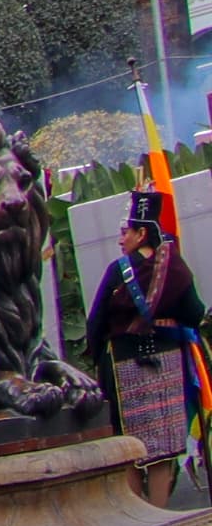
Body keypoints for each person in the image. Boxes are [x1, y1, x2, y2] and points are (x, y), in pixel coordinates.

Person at [90, 188, 209, 490]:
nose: (121, 240)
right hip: (167, 361)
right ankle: (159, 510)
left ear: (141, 233)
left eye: (125, 233)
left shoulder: (117, 272)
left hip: (123, 363)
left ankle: (138, 511)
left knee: (130, 448)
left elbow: (96, 323)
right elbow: (195, 313)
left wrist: (96, 360)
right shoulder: (176, 268)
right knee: (163, 450)